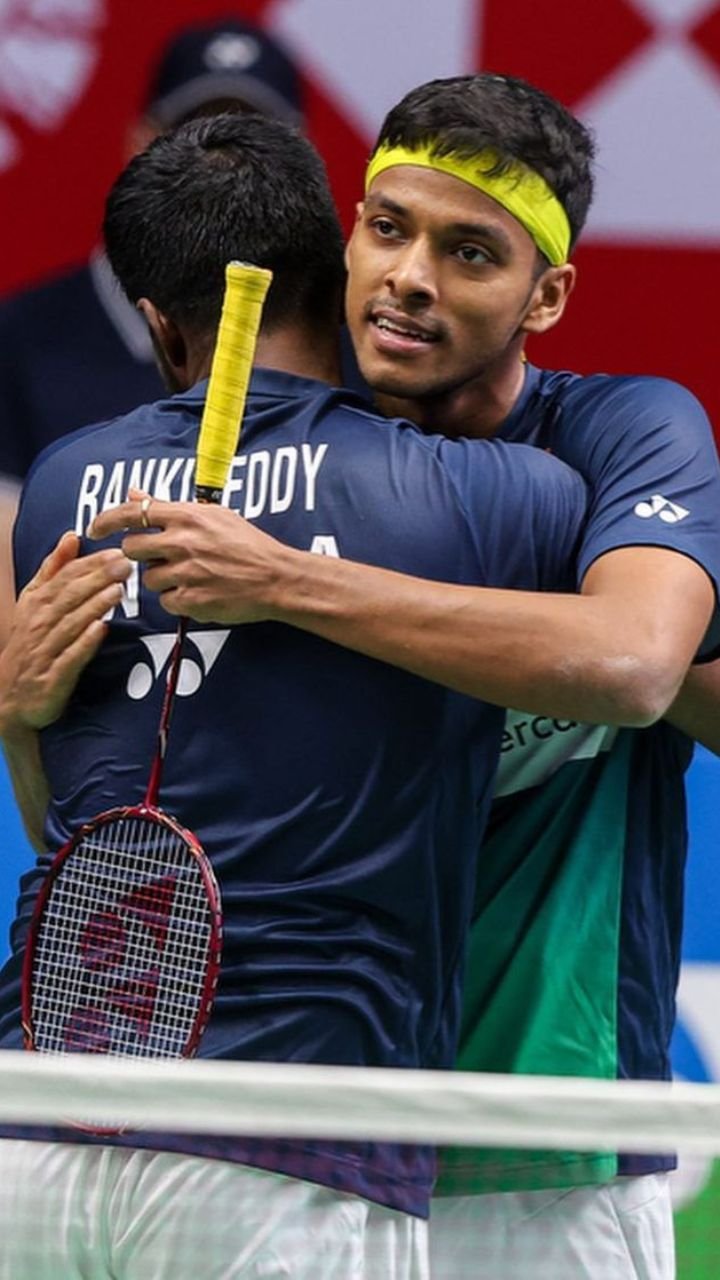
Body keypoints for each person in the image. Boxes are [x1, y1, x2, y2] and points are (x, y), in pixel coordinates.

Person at [88, 75, 720, 1280]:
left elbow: (636, 664)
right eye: (389, 229)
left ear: (547, 294)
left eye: (470, 252)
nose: (411, 277)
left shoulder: (623, 436)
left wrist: (294, 585)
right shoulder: (285, 460)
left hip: (543, 1136)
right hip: (304, 1133)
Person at [0, 113, 588, 1279]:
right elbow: (643, 650)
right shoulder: (489, 494)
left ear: (160, 322)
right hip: (293, 1140)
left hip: (39, 1125)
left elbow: (56, 815)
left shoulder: (66, 486)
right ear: (338, 272)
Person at [0, 14, 304, 647]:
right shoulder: (18, 338)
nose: (222, 172)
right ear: (139, 143)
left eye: (254, 143)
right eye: (193, 138)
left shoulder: (338, 342)